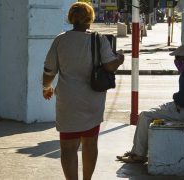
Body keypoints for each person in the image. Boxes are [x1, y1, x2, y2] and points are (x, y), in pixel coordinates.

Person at [42, 2, 124, 179]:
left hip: (67, 102)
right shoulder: (98, 39)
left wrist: (46, 87)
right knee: (90, 144)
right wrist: (120, 59)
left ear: (71, 18)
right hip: (92, 101)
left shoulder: (60, 40)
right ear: (90, 18)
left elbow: (49, 71)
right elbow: (110, 66)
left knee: (68, 147)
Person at [117, 45, 184, 163]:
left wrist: (175, 96)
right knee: (148, 114)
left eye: (177, 58)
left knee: (144, 116)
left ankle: (138, 154)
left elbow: (181, 98)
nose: (175, 61)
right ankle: (136, 150)